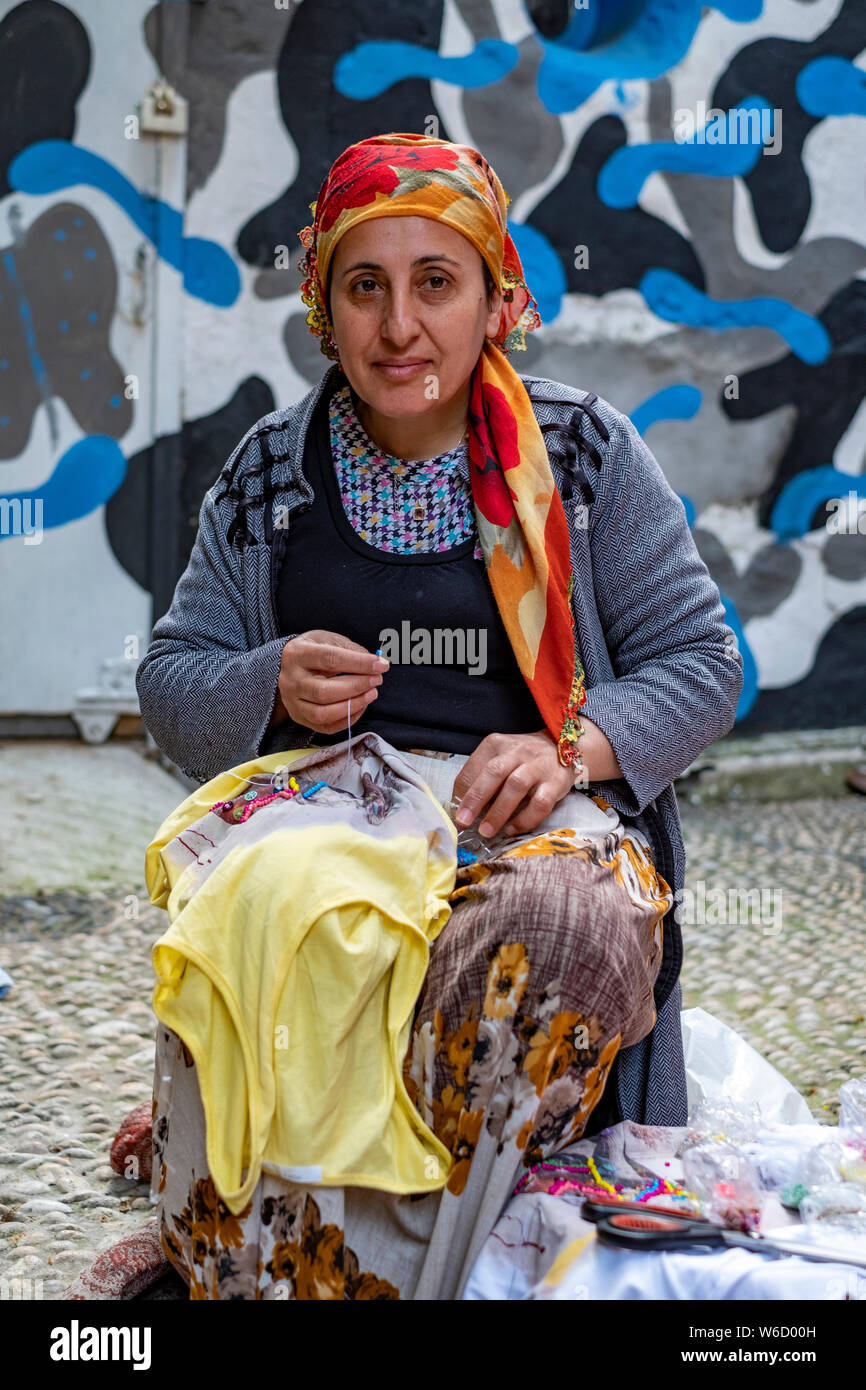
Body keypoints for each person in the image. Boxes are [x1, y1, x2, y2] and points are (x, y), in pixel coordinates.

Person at [135, 132, 744, 1300]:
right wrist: (263, 678)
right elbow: (172, 679)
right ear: (324, 304)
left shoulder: (578, 456)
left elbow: (699, 663)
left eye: (434, 282)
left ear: (492, 297)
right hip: (334, 835)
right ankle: (291, 1258)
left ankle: (433, 1264)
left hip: (524, 829)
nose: (399, 327)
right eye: (365, 286)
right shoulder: (271, 474)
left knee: (559, 927)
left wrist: (571, 742)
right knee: (260, 907)